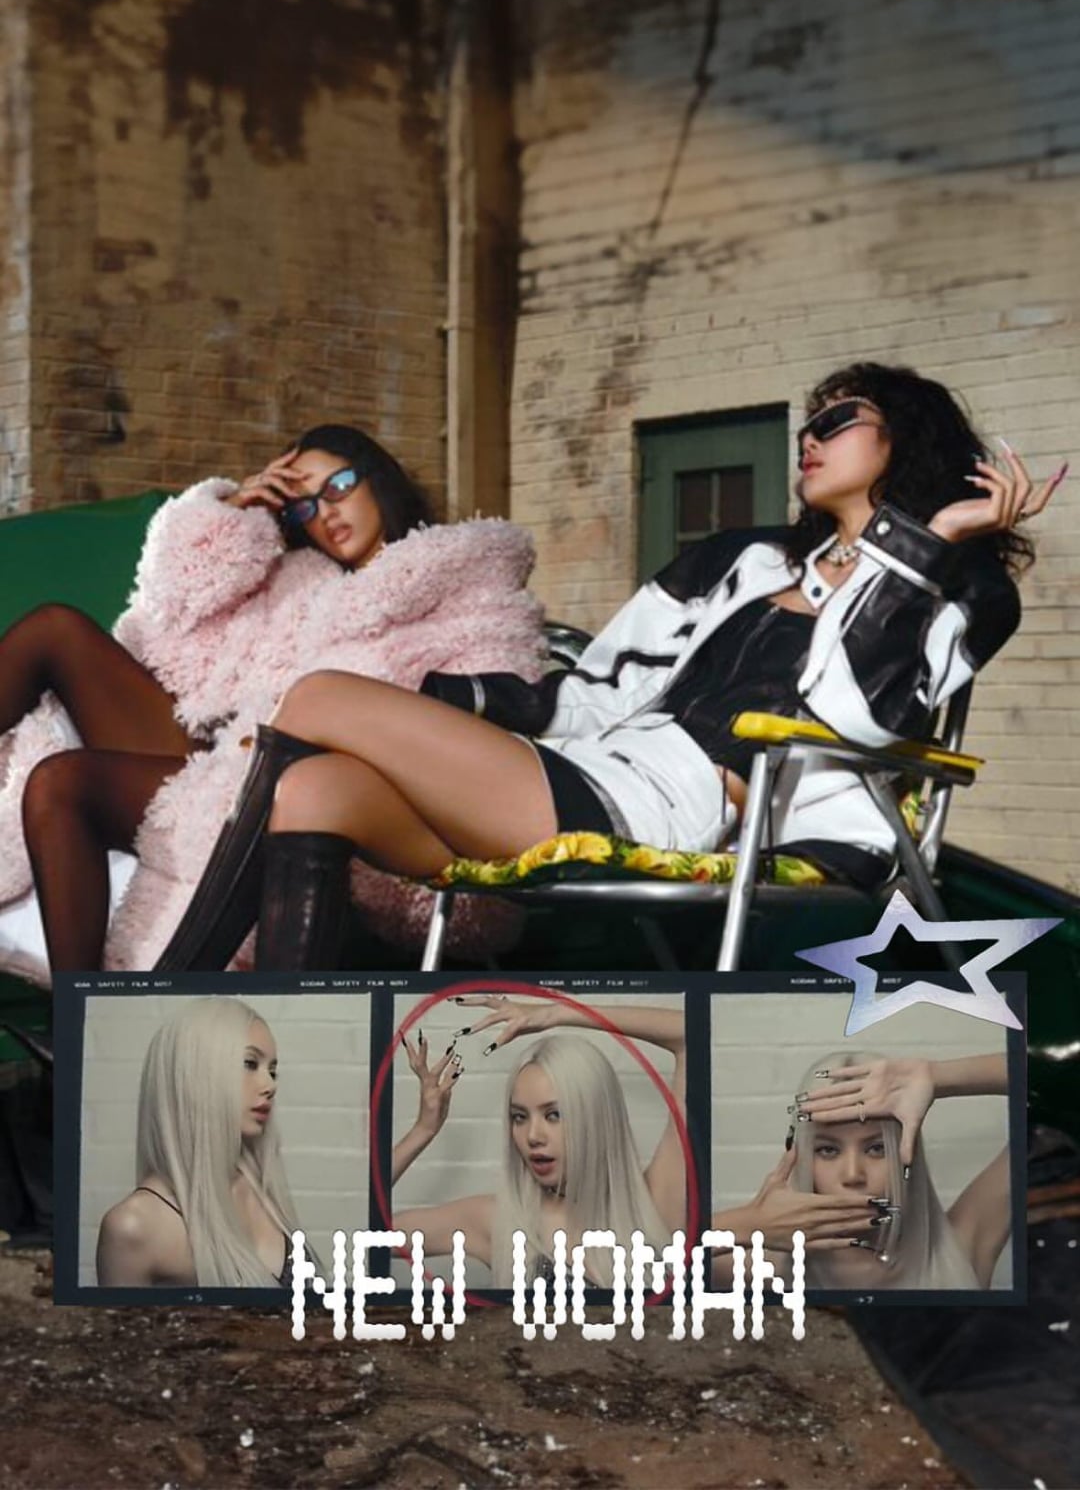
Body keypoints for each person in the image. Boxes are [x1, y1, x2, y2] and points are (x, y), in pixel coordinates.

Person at [163, 362, 1063, 923]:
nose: (809, 437)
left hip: (680, 812)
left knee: (317, 695)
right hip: (600, 770)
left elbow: (852, 713)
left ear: (907, 440)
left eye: (837, 420)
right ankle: (277, 1052)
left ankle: (175, 1002)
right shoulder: (741, 560)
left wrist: (925, 545)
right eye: (806, 422)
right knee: (316, 789)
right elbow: (597, 692)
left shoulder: (964, 591)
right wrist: (443, 698)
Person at [0, 424, 544, 981]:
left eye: (338, 487)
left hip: (317, 799)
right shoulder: (296, 582)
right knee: (56, 629)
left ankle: (77, 1013)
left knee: (60, 781)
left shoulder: (463, 584)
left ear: (377, 476)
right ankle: (81, 1015)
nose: (325, 512)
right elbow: (175, 621)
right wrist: (233, 515)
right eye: (304, 505)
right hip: (222, 764)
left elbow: (488, 724)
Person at [390, 995, 686, 1285]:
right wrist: (422, 1131)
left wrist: (554, 1013)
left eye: (554, 1115)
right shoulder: (498, 1221)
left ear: (595, 1116)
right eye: (519, 1117)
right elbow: (374, 1232)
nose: (532, 1136)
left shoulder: (653, 1203)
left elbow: (691, 1035)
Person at [711, 1049, 1012, 1291]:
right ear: (803, 1160)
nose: (853, 1175)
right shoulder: (758, 1266)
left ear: (907, 1154)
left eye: (877, 1148)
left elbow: (1041, 1077)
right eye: (828, 1150)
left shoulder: (963, 1243)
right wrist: (745, 1224)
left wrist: (936, 1076)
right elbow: (677, 1255)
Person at [96, 997, 303, 1288]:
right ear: (194, 1072)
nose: (270, 1085)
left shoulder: (257, 1182)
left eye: (272, 1070)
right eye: (249, 1063)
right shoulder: (133, 1226)